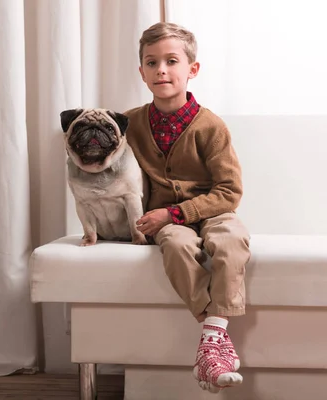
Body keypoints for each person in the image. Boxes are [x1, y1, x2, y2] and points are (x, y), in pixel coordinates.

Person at [123, 22, 251, 393]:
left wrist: (175, 213)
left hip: (213, 210)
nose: (161, 69)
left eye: (171, 61)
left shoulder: (211, 127)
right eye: (151, 62)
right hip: (167, 221)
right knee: (176, 245)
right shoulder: (129, 123)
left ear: (192, 69)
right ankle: (214, 338)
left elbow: (229, 191)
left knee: (231, 240)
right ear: (142, 71)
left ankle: (213, 337)